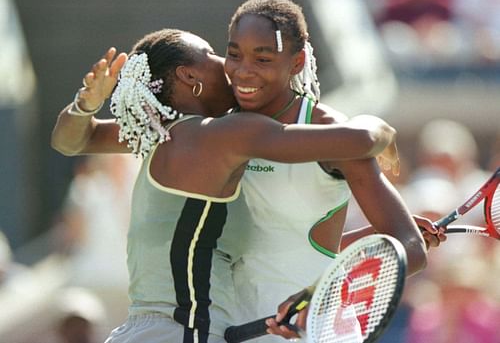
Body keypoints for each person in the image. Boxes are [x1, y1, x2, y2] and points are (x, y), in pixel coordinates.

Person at [51, 28, 405, 343]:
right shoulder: (223, 135)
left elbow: (69, 142)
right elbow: (359, 140)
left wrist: (86, 103)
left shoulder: (158, 135)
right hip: (185, 332)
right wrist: (380, 128)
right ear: (190, 76)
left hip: (146, 330)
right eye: (213, 55)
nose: (228, 65)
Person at [219, 0, 440, 340]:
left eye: (262, 57)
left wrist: (319, 292)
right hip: (231, 328)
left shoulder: (333, 133)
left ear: (297, 62)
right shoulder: (217, 125)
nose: (243, 70)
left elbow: (411, 247)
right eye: (234, 55)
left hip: (318, 331)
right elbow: (290, 246)